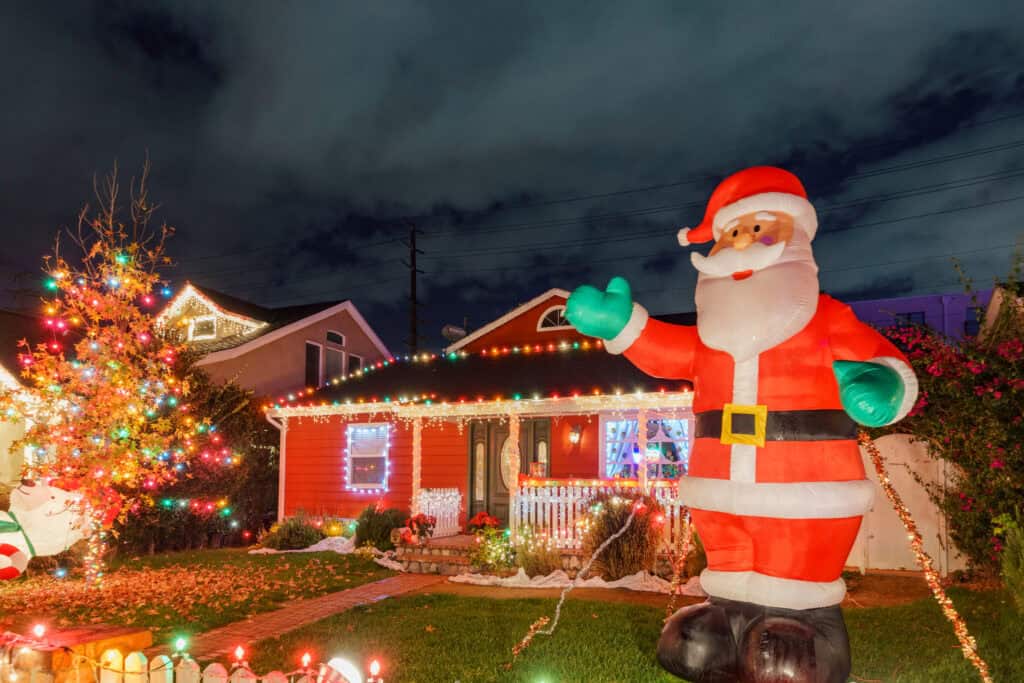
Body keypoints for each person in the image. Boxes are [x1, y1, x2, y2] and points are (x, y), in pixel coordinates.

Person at [566, 166, 918, 683]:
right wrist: (622, 325)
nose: (742, 243)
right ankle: (727, 621)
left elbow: (882, 359)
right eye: (732, 232)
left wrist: (883, 386)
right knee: (725, 575)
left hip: (806, 489)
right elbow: (664, 349)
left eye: (758, 228)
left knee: (792, 580)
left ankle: (809, 630)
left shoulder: (826, 320)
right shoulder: (708, 336)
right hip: (720, 492)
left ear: (797, 239)